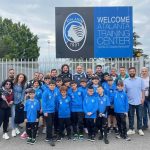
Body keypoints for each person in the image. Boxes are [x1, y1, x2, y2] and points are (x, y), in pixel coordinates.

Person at [124, 67, 145, 136]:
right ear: (128, 72)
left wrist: (143, 98)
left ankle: (139, 129)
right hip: (130, 102)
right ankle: (131, 129)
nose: (132, 72)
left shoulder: (140, 79)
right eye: (130, 71)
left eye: (133, 71)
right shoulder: (126, 80)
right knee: (131, 116)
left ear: (135, 72)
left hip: (139, 100)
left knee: (140, 116)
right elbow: (124, 91)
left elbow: (143, 90)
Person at [11, 73, 27, 137]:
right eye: (20, 77)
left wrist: (21, 101)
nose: (21, 78)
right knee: (14, 115)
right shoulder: (13, 84)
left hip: (19, 102)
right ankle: (13, 129)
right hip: (13, 102)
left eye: (22, 77)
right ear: (17, 77)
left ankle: (16, 127)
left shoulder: (23, 85)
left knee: (18, 115)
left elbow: (23, 94)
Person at [42, 80, 56, 146]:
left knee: (52, 124)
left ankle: (50, 136)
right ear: (48, 85)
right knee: (49, 125)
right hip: (48, 111)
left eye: (53, 85)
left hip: (53, 111)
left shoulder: (55, 91)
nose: (52, 86)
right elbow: (43, 102)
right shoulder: (46, 92)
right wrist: (45, 111)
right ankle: (49, 138)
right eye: (51, 85)